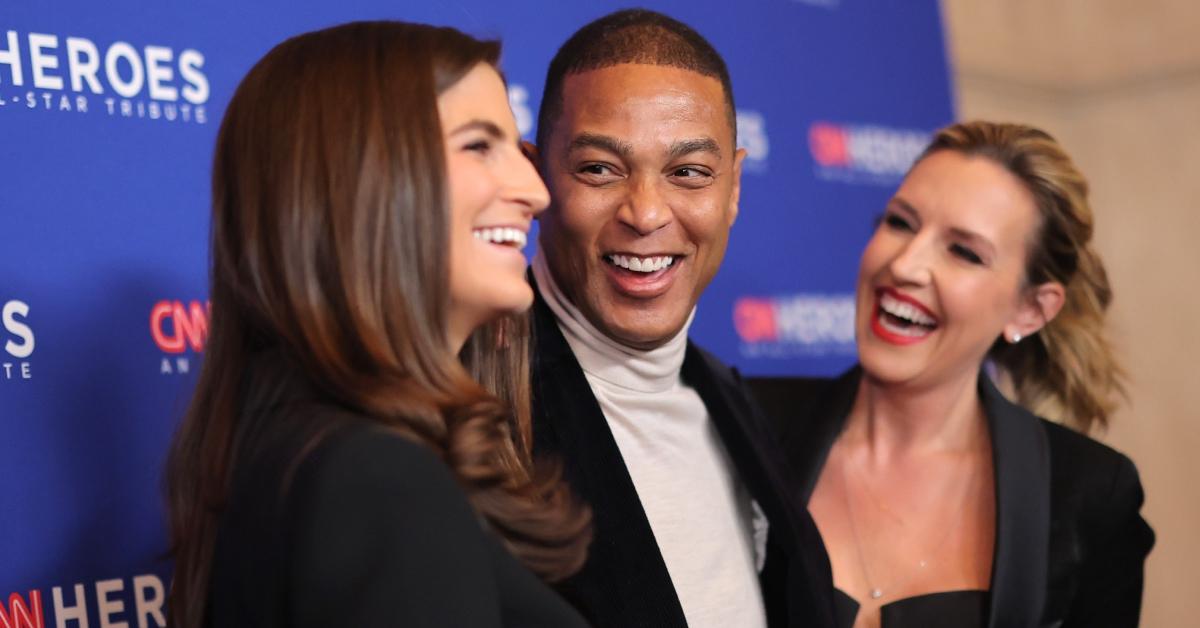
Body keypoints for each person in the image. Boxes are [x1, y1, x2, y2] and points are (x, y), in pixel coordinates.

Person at [164, 21, 591, 628]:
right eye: (478, 145)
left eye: (517, 149)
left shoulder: (309, 442)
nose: (535, 191)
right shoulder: (376, 477)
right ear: (361, 181)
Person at [766, 121, 1154, 627]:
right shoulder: (750, 423)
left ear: (1030, 311)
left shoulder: (1091, 494)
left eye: (964, 252)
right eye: (900, 223)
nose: (905, 265)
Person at [528, 9, 835, 628]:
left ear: (734, 188)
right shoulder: (459, 404)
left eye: (688, 173)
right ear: (534, 177)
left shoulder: (738, 406)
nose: (645, 213)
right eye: (599, 169)